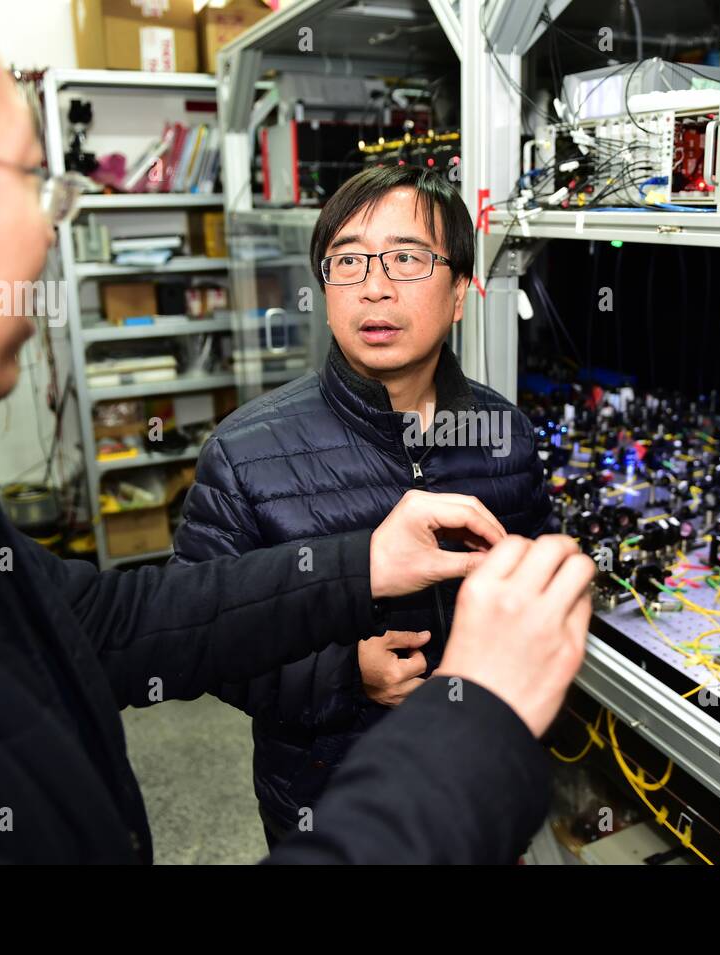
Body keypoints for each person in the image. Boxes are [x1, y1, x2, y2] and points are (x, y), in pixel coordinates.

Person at [0, 0, 594, 864]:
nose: (47, 232)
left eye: (407, 260)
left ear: (460, 289)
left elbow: (122, 620)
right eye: (31, 182)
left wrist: (362, 564)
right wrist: (474, 722)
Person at [173, 165, 553, 846]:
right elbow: (197, 639)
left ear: (462, 293)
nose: (374, 286)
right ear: (324, 293)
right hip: (331, 812)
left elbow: (532, 608)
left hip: (476, 788)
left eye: (407, 258)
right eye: (348, 261)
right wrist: (344, 673)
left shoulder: (507, 436)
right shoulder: (245, 452)